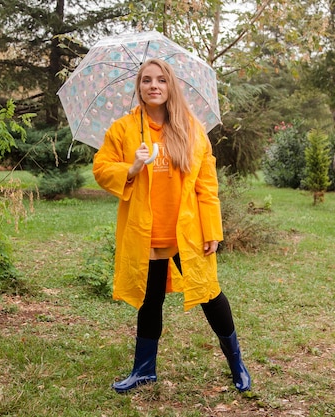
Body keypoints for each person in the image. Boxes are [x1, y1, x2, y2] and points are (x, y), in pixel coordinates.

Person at [92, 58, 251, 394]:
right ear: (139, 87)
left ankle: (236, 363)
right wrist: (132, 167)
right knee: (150, 302)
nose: (154, 86)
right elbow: (101, 169)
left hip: (187, 232)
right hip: (146, 233)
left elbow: (206, 185)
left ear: (170, 86)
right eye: (147, 80)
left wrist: (212, 231)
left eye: (161, 80)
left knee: (210, 294)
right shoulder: (123, 130)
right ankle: (144, 370)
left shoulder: (190, 128)